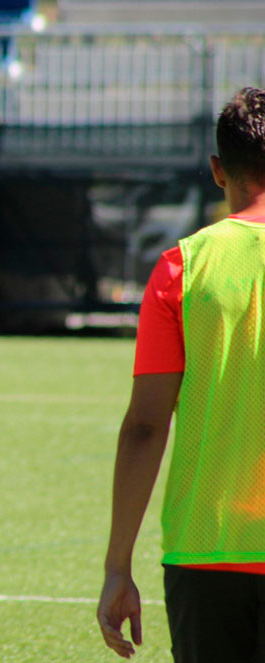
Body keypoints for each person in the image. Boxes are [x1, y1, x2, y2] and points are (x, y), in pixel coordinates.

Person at [97, 86, 265, 661]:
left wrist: (118, 566)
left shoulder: (182, 267)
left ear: (218, 171)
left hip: (206, 550)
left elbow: (146, 428)